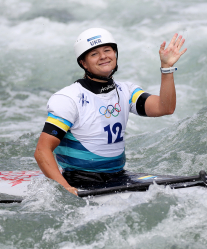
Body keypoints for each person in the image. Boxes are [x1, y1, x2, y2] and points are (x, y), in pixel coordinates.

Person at [34, 28, 187, 196]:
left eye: (107, 50)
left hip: (118, 177)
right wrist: (66, 189)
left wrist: (166, 68)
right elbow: (42, 150)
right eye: (94, 54)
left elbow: (165, 107)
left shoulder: (126, 91)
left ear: (115, 54)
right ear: (83, 63)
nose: (103, 56)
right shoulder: (69, 98)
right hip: (80, 181)